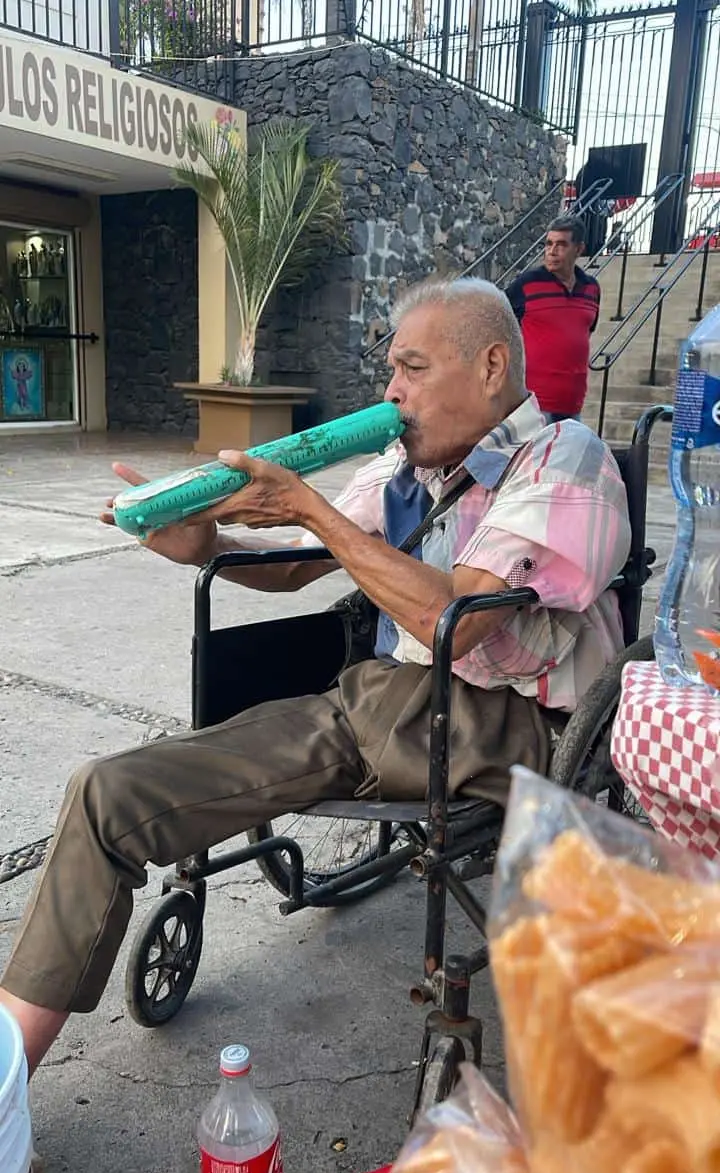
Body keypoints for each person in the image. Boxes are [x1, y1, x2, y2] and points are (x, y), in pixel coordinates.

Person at [0, 278, 631, 1095]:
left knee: (370, 688)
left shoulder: (561, 457)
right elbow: (300, 564)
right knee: (104, 793)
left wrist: (309, 508)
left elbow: (458, 621)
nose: (392, 393)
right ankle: (9, 1107)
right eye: (390, 373)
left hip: (505, 725)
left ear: (490, 366)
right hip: (376, 702)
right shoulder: (404, 461)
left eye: (411, 369)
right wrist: (205, 541)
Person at [505, 215, 601, 423]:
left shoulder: (591, 288)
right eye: (549, 244)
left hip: (573, 403)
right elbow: (498, 321)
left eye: (561, 245)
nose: (552, 251)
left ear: (579, 249)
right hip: (534, 405)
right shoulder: (526, 284)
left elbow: (585, 333)